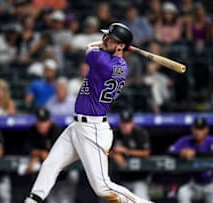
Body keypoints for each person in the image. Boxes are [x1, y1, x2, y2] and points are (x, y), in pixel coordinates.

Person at [25, 23, 153, 203]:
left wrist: (107, 46)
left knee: (102, 187)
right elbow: (102, 49)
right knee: (51, 164)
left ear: (121, 45)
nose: (105, 40)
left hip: (92, 129)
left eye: (110, 38)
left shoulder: (101, 61)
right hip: (79, 125)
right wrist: (116, 46)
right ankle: (32, 200)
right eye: (105, 37)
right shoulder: (121, 66)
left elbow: (89, 48)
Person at [25, 108, 77, 203]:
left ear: (49, 121)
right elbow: (28, 148)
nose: (41, 125)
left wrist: (47, 155)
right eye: (39, 121)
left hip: (64, 173)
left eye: (44, 121)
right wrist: (40, 153)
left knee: (66, 200)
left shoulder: (57, 130)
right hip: (49, 176)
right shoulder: (32, 130)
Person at [168, 117, 213, 203]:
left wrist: (195, 153)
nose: (197, 132)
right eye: (196, 128)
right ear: (192, 129)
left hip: (211, 184)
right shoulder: (185, 140)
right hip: (194, 184)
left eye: (200, 129)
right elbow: (170, 151)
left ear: (206, 130)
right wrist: (180, 154)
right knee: (183, 192)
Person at [111, 110, 151, 201]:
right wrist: (114, 154)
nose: (125, 126)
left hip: (139, 178)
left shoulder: (140, 133)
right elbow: (104, 150)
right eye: (123, 123)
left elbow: (146, 153)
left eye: (127, 123)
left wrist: (126, 151)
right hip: (121, 180)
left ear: (132, 123)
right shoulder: (115, 134)